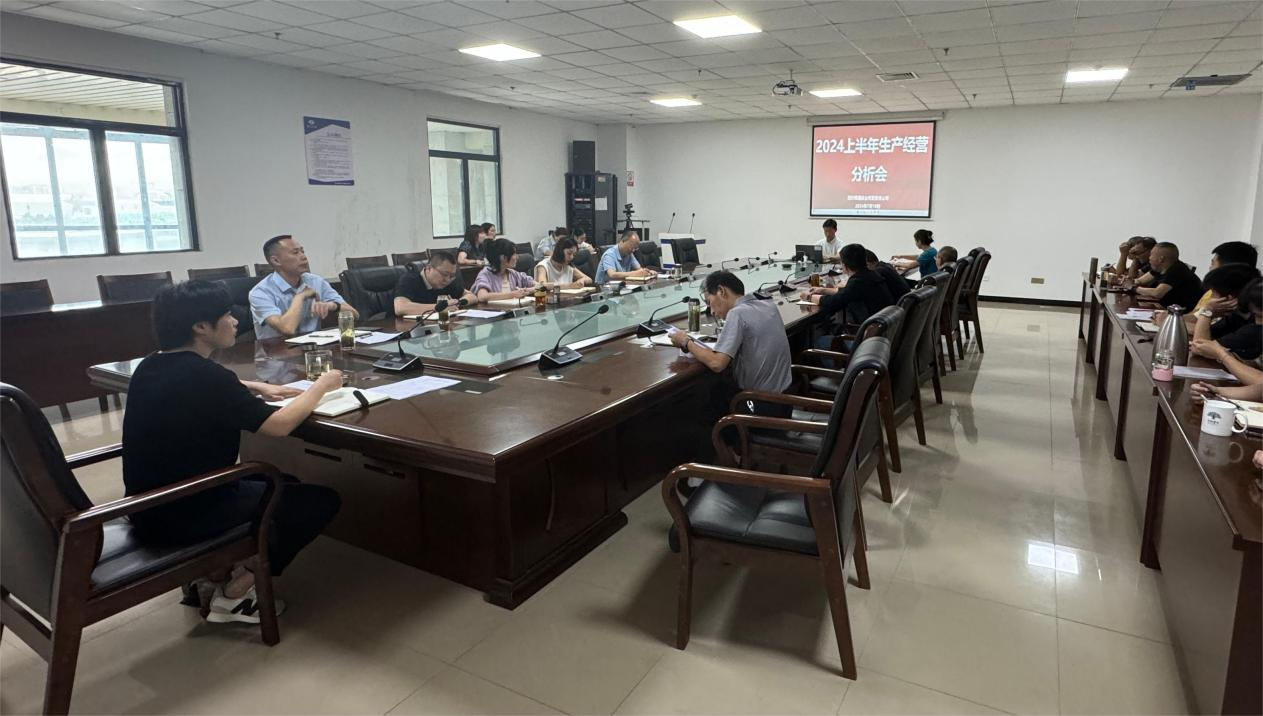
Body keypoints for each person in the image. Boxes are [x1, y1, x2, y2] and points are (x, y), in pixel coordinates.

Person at [124, 281, 342, 623]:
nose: (235, 321)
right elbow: (279, 426)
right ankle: (237, 593)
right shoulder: (208, 377)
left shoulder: (152, 365)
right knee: (319, 501)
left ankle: (216, 571)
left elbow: (204, 384)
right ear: (201, 327)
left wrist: (255, 386)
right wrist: (321, 386)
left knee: (285, 481)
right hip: (187, 509)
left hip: (149, 504)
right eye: (226, 315)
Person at [668, 270, 793, 419]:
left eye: (709, 302)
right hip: (785, 401)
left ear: (721, 291)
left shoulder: (737, 313)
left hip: (760, 406)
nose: (711, 311)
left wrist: (685, 341)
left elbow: (717, 363)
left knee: (700, 408)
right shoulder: (767, 304)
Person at [249, 234, 358, 340]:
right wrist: (300, 297)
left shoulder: (316, 281)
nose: (304, 257)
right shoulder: (260, 292)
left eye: (302, 251)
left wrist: (333, 306)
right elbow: (287, 328)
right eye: (295, 253)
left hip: (315, 347)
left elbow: (354, 314)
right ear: (276, 261)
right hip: (277, 350)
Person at [804, 243, 896, 328]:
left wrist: (809, 297)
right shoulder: (871, 274)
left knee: (822, 336)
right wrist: (823, 290)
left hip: (866, 334)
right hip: (882, 330)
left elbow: (833, 302)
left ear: (844, 265)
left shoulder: (858, 281)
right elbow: (846, 293)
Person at [1192, 275, 1262, 361]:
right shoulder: (1235, 317)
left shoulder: (1255, 328)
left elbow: (1198, 347)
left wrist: (1207, 311)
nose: (1210, 299)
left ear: (1229, 298)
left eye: (1213, 294)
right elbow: (1204, 336)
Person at [393, 250, 478, 316]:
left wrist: (457, 303)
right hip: (400, 329)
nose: (447, 279)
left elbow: (472, 296)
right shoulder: (409, 279)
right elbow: (400, 307)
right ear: (429, 268)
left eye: (452, 276)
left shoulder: (447, 282)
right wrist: (440, 308)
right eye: (444, 274)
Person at [1132, 242, 1202, 308]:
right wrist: (1130, 283)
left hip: (1181, 312)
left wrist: (1134, 288)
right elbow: (1140, 281)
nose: (1149, 258)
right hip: (1164, 307)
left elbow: (1157, 293)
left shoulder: (1177, 269)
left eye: (1151, 254)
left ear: (1161, 259)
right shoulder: (1159, 268)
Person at [1194, 241, 1259, 310]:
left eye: (1212, 264)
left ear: (1225, 269)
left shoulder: (1251, 303)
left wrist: (1207, 311)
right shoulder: (1211, 293)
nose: (1210, 268)